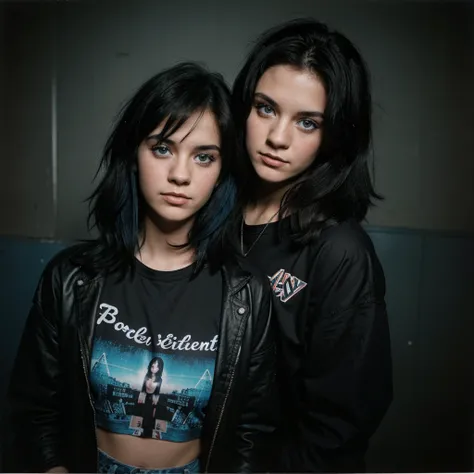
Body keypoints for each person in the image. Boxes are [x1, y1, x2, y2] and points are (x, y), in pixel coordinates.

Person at [3, 62, 277, 474]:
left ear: (222, 172)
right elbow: (34, 408)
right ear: (134, 153)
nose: (180, 175)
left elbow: (253, 431)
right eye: (163, 148)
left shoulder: (245, 293)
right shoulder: (71, 278)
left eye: (204, 157)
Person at [229, 18, 393, 472]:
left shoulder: (340, 251)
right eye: (265, 108)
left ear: (335, 134)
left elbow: (340, 427)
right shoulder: (212, 217)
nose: (278, 138)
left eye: (307, 122)